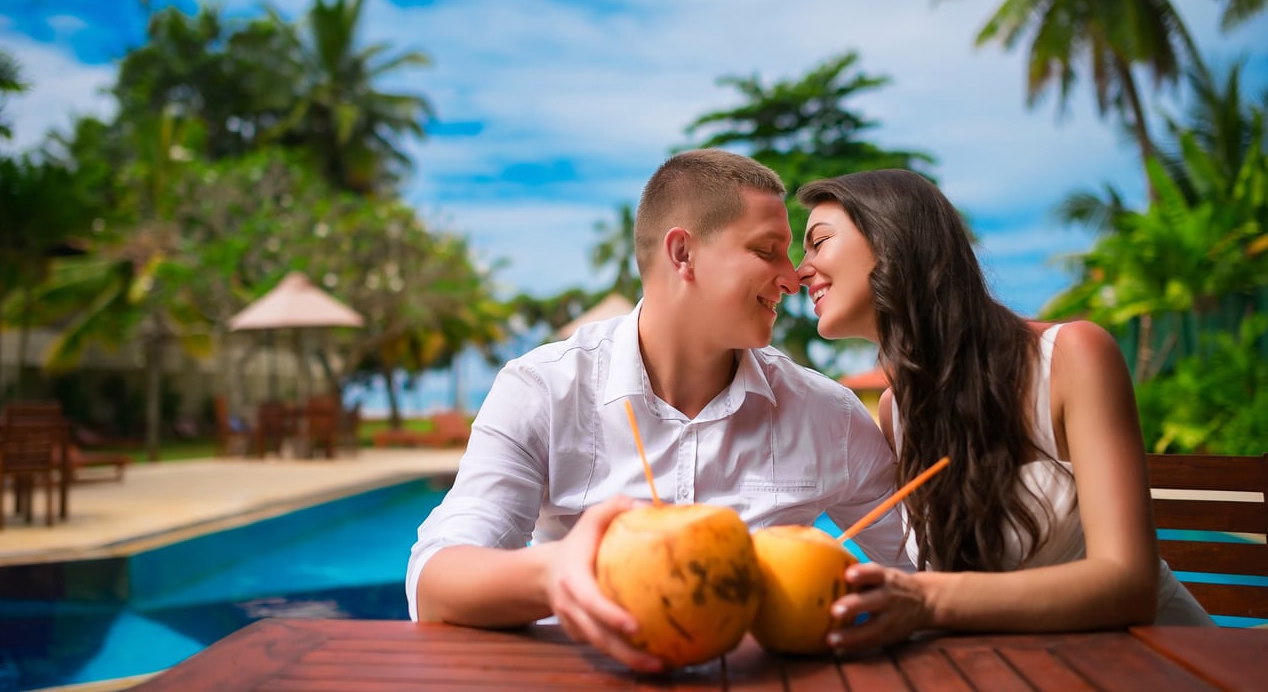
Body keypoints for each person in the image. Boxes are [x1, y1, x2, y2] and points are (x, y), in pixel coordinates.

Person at [407, 149, 910, 672]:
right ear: (683, 254)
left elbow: (921, 571)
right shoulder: (543, 390)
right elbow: (434, 581)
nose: (794, 277)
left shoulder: (828, 414)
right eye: (767, 251)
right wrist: (554, 573)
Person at [793, 169, 1213, 653]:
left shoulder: (1072, 357)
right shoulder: (895, 411)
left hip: (1169, 665)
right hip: (1030, 669)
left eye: (818, 242)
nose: (801, 269)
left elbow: (1130, 584)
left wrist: (927, 601)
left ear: (891, 240)